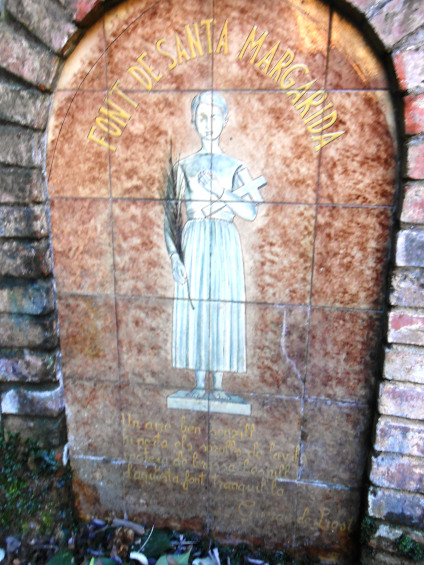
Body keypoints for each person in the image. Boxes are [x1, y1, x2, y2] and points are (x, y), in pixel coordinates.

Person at [164, 91, 263, 401]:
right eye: (202, 117)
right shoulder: (183, 167)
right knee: (196, 308)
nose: (208, 123)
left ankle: (218, 386)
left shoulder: (234, 166)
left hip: (223, 242)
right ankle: (198, 384)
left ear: (225, 120)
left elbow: (251, 210)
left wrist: (222, 192)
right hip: (192, 242)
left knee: (222, 307)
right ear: (193, 121)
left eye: (214, 117)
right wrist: (174, 256)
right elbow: (170, 218)